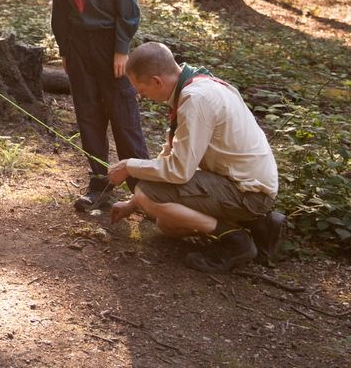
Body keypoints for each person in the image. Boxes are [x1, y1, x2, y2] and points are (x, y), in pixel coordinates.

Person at [108, 41, 286, 273]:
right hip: (241, 183)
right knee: (167, 224)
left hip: (249, 192)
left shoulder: (196, 99)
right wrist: (133, 204)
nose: (143, 97)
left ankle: (235, 241)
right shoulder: (194, 83)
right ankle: (257, 224)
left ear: (157, 81)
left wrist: (129, 167)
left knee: (146, 192)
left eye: (142, 91)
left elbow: (179, 170)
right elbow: (172, 153)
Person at [47, 0, 149, 211]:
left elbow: (128, 6)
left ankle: (143, 191)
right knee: (88, 115)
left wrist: (121, 48)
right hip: (78, 45)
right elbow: (61, 4)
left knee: (123, 115)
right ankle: (99, 184)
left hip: (109, 46)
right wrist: (64, 46)